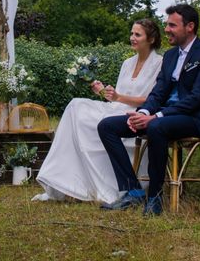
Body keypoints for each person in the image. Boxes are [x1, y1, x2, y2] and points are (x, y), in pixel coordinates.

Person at [97, 4, 200, 215]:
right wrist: (143, 113)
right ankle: (134, 191)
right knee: (107, 126)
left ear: (190, 26)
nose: (166, 29)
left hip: (196, 117)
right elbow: (159, 92)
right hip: (163, 115)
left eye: (172, 25)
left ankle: (154, 198)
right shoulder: (171, 56)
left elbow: (197, 98)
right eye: (166, 25)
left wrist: (156, 116)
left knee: (156, 127)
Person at [34, 19, 163, 204]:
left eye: (137, 34)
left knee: (86, 120)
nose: (132, 38)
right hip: (116, 107)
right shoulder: (127, 63)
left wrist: (118, 97)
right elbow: (118, 96)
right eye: (132, 33)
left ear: (151, 39)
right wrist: (104, 92)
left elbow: (154, 99)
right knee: (75, 106)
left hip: (137, 113)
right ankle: (64, 182)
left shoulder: (159, 63)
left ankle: (100, 186)